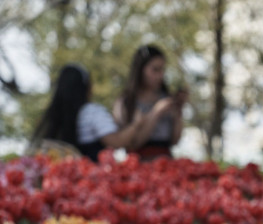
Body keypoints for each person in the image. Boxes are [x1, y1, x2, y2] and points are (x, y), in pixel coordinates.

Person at [31, 64, 173, 161]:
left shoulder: (54, 117)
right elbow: (116, 142)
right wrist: (136, 124)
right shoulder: (92, 112)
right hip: (92, 180)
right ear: (86, 87)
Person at [114, 45, 186, 159]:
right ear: (140, 69)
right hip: (137, 164)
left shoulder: (166, 98)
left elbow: (175, 141)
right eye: (155, 69)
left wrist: (179, 111)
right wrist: (155, 113)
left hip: (166, 162)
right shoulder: (126, 102)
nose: (160, 75)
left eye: (163, 69)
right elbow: (131, 144)